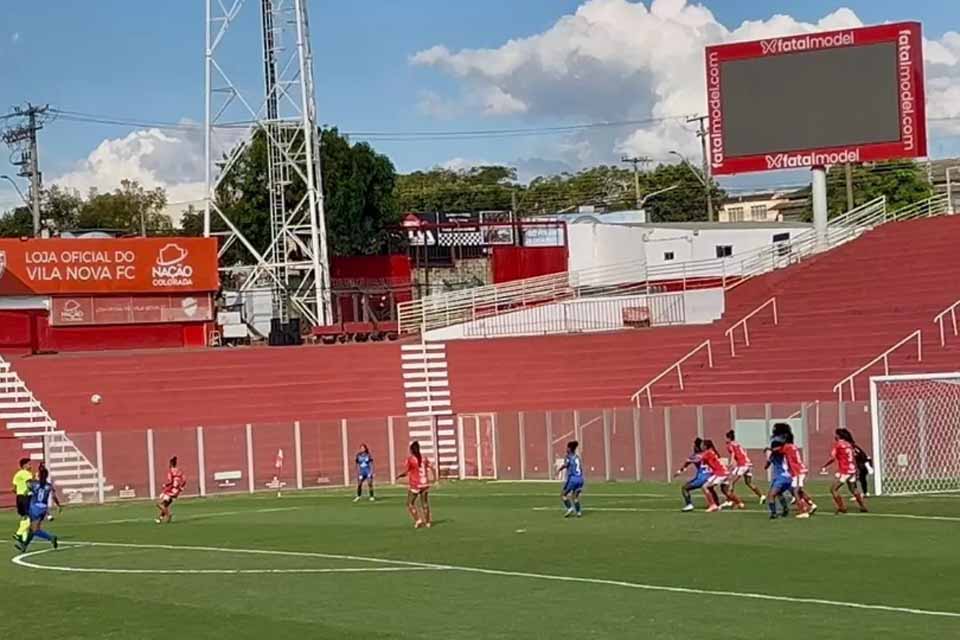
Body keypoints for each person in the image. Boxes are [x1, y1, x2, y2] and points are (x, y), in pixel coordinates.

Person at [820, 428, 868, 514]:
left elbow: (832, 457)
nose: (835, 436)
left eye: (836, 434)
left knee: (833, 489)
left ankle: (842, 507)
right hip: (852, 469)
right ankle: (862, 506)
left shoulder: (838, 445)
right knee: (853, 489)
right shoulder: (849, 444)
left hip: (845, 470)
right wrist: (856, 470)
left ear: (838, 436)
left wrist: (825, 465)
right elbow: (853, 458)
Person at [775, 425, 817, 518]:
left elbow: (778, 450)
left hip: (797, 471)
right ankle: (811, 504)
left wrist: (770, 448)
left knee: (795, 491)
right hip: (798, 470)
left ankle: (803, 511)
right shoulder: (793, 446)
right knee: (799, 490)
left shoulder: (787, 447)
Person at [17, 465, 60, 552]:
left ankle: (51, 537)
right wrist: (58, 505)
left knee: (35, 530)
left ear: (39, 475)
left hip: (34, 508)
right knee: (32, 529)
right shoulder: (49, 486)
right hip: (42, 509)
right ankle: (24, 546)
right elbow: (54, 497)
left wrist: (33, 480)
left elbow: (27, 486)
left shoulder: (34, 483)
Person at [396, 442, 434, 528]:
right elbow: (432, 467)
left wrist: (399, 476)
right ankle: (428, 523)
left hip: (415, 484)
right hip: (425, 483)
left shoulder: (411, 459)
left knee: (410, 503)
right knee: (424, 503)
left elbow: (406, 472)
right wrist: (435, 479)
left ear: (411, 450)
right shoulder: (424, 458)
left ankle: (418, 520)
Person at [673, 438, 718, 512]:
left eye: (694, 446)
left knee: (685, 488)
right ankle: (716, 503)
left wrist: (679, 471)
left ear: (697, 447)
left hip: (702, 477)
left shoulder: (695, 456)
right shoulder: (709, 453)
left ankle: (689, 504)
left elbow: (686, 463)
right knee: (710, 489)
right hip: (712, 475)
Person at [701, 439, 743, 511]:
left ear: (705, 446)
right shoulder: (712, 452)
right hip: (725, 473)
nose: (701, 446)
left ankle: (713, 505)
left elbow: (699, 458)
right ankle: (739, 503)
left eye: (702, 445)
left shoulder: (707, 453)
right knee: (725, 491)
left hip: (720, 473)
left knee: (705, 487)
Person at [725, 430, 764, 504]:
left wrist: (731, 463)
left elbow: (733, 453)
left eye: (726, 438)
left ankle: (730, 500)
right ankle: (761, 496)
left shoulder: (730, 445)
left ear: (729, 438)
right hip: (748, 464)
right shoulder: (737, 444)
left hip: (742, 465)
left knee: (731, 481)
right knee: (748, 482)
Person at [765, 431, 794, 519]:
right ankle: (785, 509)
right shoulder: (785, 453)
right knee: (780, 493)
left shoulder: (773, 455)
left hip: (780, 478)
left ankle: (774, 513)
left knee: (771, 495)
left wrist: (768, 453)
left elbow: (766, 466)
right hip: (789, 477)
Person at [557, 440, 584, 518]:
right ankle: (578, 512)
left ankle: (569, 508)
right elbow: (580, 469)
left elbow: (566, 465)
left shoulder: (568, 456)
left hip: (573, 479)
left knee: (563, 495)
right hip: (580, 479)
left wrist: (559, 469)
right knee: (575, 497)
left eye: (567, 448)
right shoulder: (577, 457)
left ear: (569, 448)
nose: (566, 449)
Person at [156, 456, 185, 524]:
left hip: (170, 490)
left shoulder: (170, 471)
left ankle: (168, 515)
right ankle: (160, 518)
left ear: (171, 464)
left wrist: (165, 485)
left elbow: (170, 481)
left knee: (159, 504)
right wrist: (181, 487)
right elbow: (184, 480)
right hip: (176, 491)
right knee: (165, 505)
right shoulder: (179, 471)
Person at [11, 458, 33, 547]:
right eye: (29, 464)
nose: (30, 466)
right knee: (30, 518)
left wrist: (19, 493)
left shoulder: (17, 474)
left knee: (24, 518)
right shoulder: (27, 474)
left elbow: (14, 488)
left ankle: (23, 540)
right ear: (24, 465)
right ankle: (18, 534)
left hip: (19, 497)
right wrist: (30, 491)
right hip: (26, 497)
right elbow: (29, 484)